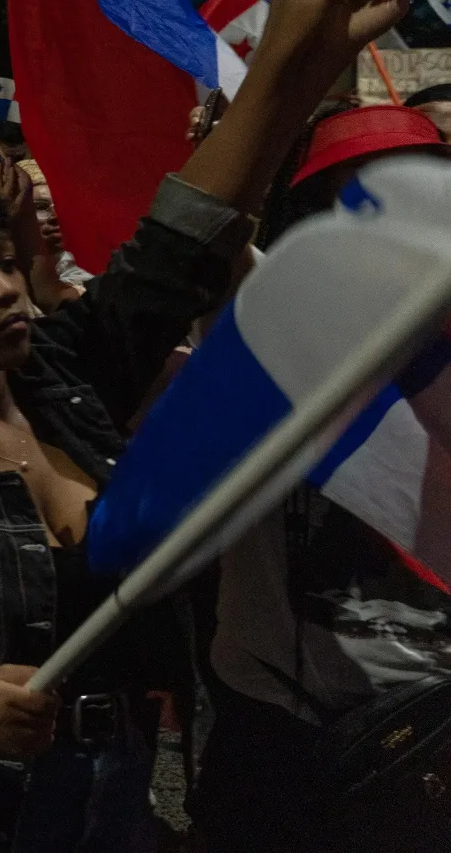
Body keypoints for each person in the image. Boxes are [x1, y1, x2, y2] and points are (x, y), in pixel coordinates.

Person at [0, 0, 423, 852]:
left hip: (119, 801)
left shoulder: (67, 377)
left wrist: (307, 49)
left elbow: (187, 237)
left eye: (9, 262)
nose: (7, 288)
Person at [193, 97, 450, 853]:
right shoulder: (262, 324)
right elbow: (214, 226)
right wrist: (287, 71)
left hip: (435, 729)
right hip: (277, 727)